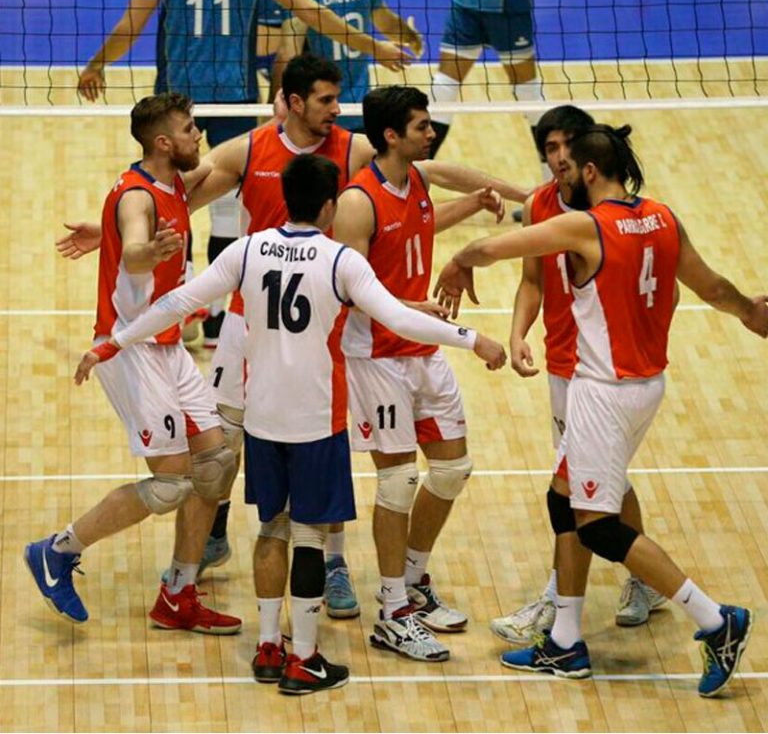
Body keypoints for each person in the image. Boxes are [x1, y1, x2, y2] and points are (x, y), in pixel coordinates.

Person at [58, 55, 528, 614]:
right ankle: (198, 555)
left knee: (317, 442)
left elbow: (433, 175)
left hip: (320, 321)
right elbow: (171, 191)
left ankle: (331, 561)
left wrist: (526, 195)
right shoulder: (250, 150)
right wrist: (111, 227)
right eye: (327, 100)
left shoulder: (353, 149)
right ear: (295, 101)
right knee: (218, 453)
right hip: (246, 317)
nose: (337, 109)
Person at [74, 152, 508, 694]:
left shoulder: (247, 250)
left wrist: (112, 343)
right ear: (330, 207)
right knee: (308, 535)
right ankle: (304, 656)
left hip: (262, 420)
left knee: (269, 530)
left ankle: (266, 645)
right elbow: (397, 317)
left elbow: (177, 302)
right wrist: (475, 340)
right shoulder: (340, 262)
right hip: (316, 422)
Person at [436, 123, 768, 697]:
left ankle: (715, 620)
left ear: (589, 172)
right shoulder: (664, 218)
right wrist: (750, 314)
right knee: (561, 498)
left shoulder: (586, 225)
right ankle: (565, 642)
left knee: (598, 527)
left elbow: (494, 247)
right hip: (646, 387)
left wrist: (459, 260)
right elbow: (712, 288)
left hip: (601, 391)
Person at [77, 0, 411, 347]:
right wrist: (374, 46)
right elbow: (308, 10)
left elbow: (131, 24)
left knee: (174, 193)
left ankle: (184, 314)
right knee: (223, 209)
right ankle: (216, 319)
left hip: (177, 98)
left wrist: (97, 64)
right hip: (234, 91)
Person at [25, 93, 242, 634]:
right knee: (170, 486)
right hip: (130, 349)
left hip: (168, 346)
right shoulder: (137, 199)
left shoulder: (173, 185)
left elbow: (230, 161)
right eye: (191, 129)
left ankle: (178, 594)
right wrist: (147, 251)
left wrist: (279, 123)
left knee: (215, 467)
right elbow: (136, 247)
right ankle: (56, 551)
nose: (199, 136)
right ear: (164, 142)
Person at [330, 85, 504, 662]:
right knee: (399, 480)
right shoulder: (357, 202)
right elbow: (346, 290)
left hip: (421, 347)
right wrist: (408, 310)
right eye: (422, 126)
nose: (431, 134)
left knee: (453, 468)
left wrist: (476, 204)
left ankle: (414, 579)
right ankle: (390, 610)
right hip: (377, 357)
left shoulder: (418, 183)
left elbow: (419, 227)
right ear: (391, 136)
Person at [488, 105, 665, 646]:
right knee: (601, 478)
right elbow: (532, 283)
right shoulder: (539, 204)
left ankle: (557, 605)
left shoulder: (609, 213)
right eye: (550, 148)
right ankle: (644, 580)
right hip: (564, 367)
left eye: (568, 146)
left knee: (571, 493)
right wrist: (518, 334)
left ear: (587, 152)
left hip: (603, 372)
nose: (560, 157)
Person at [429, 0, 548, 180]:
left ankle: (556, 192)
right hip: (466, 2)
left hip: (508, 7)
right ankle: (411, 184)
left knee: (529, 96)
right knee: (442, 93)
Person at [273, 0, 424, 133]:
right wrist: (410, 36)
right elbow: (387, 22)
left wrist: (270, 110)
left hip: (319, 116)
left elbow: (287, 55)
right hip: (360, 110)